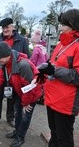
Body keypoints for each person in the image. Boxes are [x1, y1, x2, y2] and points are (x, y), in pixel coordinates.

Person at [36, 8, 79, 147]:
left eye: (63, 24)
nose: (60, 27)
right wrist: (46, 69)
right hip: (52, 98)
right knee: (54, 134)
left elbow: (77, 76)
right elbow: (55, 64)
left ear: (73, 25)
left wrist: (54, 70)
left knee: (64, 139)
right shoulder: (62, 43)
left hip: (65, 102)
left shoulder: (77, 46)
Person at [0, 41, 41, 147]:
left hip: (31, 95)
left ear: (8, 55)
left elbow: (29, 88)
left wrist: (26, 103)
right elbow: (0, 76)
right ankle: (17, 131)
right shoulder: (5, 63)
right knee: (18, 113)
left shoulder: (23, 65)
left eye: (0, 58)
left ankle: (20, 137)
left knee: (25, 116)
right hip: (20, 91)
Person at [0, 17, 30, 127]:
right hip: (0, 73)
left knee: (11, 96)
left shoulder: (22, 40)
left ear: (12, 27)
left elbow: (27, 56)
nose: (5, 30)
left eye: (7, 27)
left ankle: (10, 117)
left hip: (14, 73)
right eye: (3, 28)